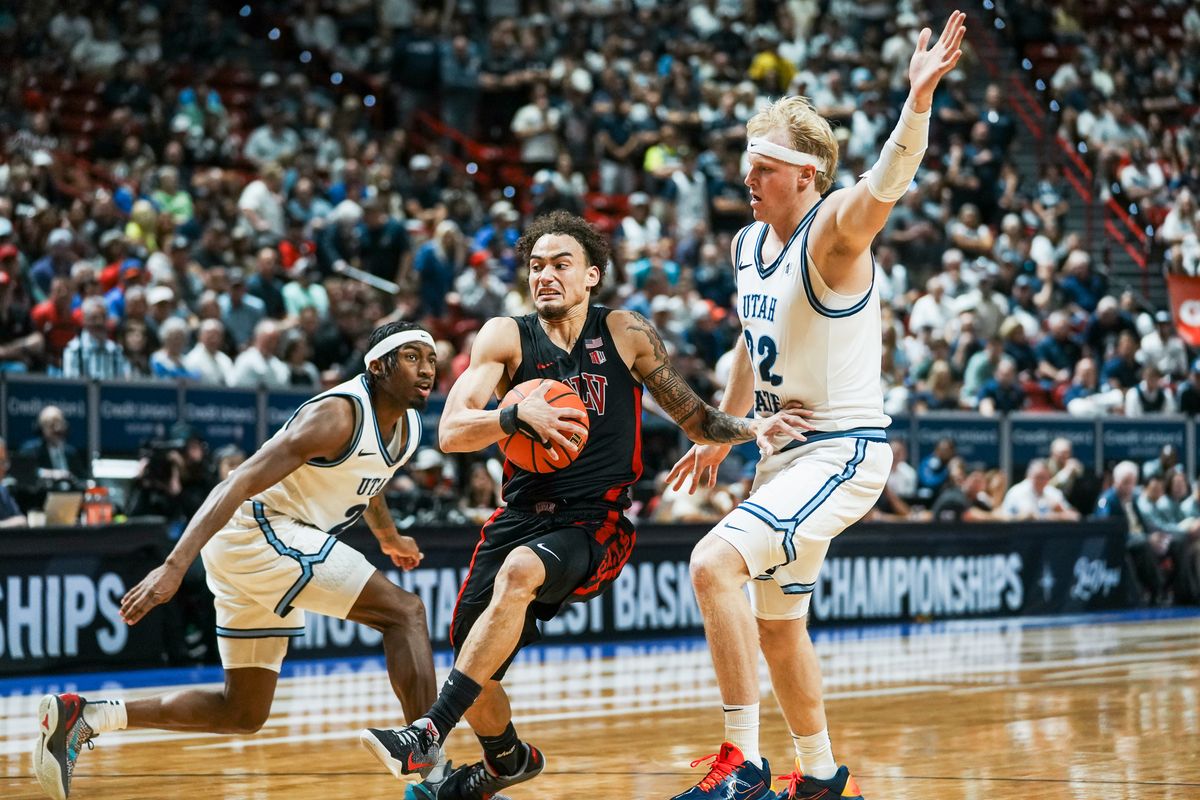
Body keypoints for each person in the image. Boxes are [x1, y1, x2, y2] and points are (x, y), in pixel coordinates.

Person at [359, 211, 809, 799]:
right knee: (475, 665)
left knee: (520, 575)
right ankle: (507, 760)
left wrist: (755, 428)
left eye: (560, 264)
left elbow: (696, 417)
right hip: (520, 515)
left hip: (596, 521)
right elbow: (451, 430)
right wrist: (514, 415)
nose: (545, 275)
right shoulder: (504, 335)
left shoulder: (625, 332)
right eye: (536, 266)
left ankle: (426, 733)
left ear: (592, 274)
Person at [662, 13, 966, 800]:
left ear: (805, 174)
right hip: (782, 454)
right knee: (777, 625)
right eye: (746, 167)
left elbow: (886, 184)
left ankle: (743, 763)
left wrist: (917, 102)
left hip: (845, 450)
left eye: (763, 169)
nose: (748, 180)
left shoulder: (833, 232)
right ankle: (824, 776)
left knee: (711, 563)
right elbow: (745, 342)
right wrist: (720, 433)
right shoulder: (745, 246)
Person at [34, 322, 446, 800]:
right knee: (405, 613)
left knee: (242, 711)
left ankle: (84, 716)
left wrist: (390, 537)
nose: (426, 369)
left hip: (264, 545)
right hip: (260, 530)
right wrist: (173, 566)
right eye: (413, 357)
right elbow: (235, 483)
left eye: (431, 359)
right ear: (378, 366)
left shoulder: (410, 427)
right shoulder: (336, 416)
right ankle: (432, 777)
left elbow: (367, 481)